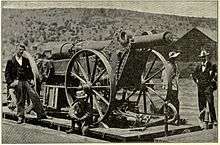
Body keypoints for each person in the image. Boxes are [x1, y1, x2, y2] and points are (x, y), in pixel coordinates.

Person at [5, 43, 47, 124]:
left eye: (22, 50)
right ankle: (20, 117)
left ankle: (41, 114)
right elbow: (7, 73)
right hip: (17, 81)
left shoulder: (26, 60)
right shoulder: (11, 61)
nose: (21, 51)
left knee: (34, 95)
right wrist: (11, 82)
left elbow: (30, 72)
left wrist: (31, 79)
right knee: (20, 99)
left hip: (26, 81)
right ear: (16, 49)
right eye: (20, 49)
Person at [192, 50, 217, 128]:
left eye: (204, 57)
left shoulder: (211, 65)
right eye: (201, 57)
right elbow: (194, 75)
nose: (203, 58)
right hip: (200, 88)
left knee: (210, 103)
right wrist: (196, 80)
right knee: (201, 104)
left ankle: (214, 120)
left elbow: (216, 75)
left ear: (206, 57)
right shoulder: (198, 66)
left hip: (208, 87)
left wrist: (213, 84)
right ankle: (202, 119)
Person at [166, 51, 184, 125]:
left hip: (174, 86)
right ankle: (172, 117)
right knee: (172, 101)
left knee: (175, 101)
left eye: (175, 58)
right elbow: (165, 77)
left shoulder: (174, 65)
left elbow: (177, 75)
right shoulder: (168, 65)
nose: (174, 59)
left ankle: (175, 117)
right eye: (173, 58)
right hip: (170, 87)